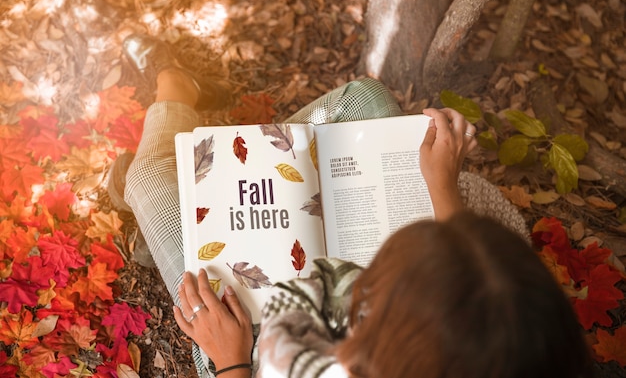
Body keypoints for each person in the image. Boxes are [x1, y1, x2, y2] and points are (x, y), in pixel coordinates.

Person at [112, 34, 592, 378]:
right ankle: (159, 197)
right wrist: (443, 189)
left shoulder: (295, 361)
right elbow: (478, 298)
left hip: (247, 336)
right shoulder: (522, 346)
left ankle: (174, 91)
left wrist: (233, 361)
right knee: (365, 99)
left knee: (152, 176)